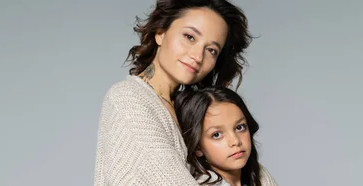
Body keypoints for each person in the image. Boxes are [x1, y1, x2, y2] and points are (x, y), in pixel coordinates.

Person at [94, 0, 254, 185]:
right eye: (189, 37)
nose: (198, 56)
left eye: (211, 50)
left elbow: (247, 172)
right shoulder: (128, 99)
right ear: (160, 33)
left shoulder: (187, 108)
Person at [175, 87, 277, 186]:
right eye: (217, 135)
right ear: (198, 147)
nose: (235, 141)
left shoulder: (260, 177)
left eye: (239, 127)